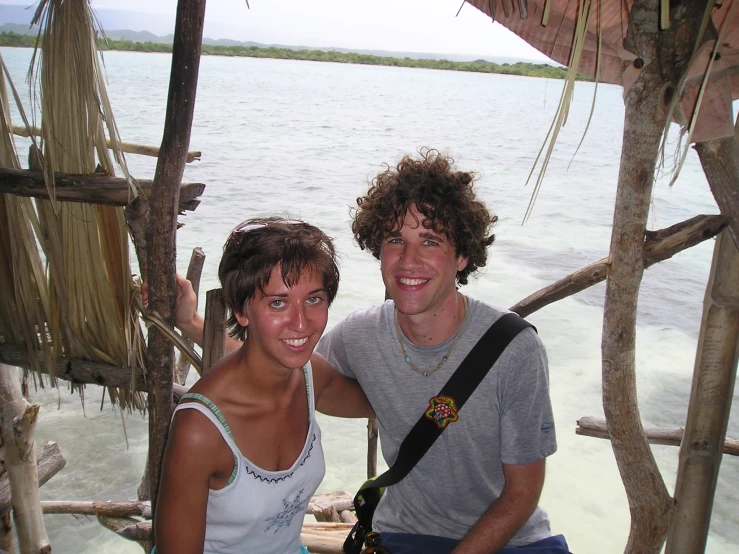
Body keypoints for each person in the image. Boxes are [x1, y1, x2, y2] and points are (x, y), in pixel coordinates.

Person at [175, 150, 568, 554]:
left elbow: (523, 492)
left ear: (463, 254)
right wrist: (193, 325)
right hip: (406, 533)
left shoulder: (514, 349)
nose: (408, 260)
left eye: (430, 241)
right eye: (395, 239)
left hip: (512, 540)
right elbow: (281, 355)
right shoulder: (360, 336)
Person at [154, 217, 375, 554]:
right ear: (242, 312)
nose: (301, 322)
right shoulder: (199, 429)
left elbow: (385, 402)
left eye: (314, 299)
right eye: (277, 302)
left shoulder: (309, 375)